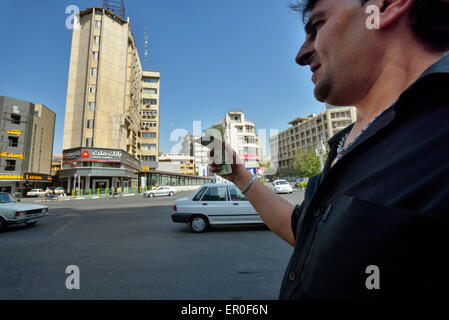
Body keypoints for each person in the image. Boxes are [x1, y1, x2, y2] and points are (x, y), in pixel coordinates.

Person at [209, 0, 449, 299]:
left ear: (385, 7)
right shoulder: (343, 144)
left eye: (317, 25)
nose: (300, 54)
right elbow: (302, 231)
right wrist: (240, 176)